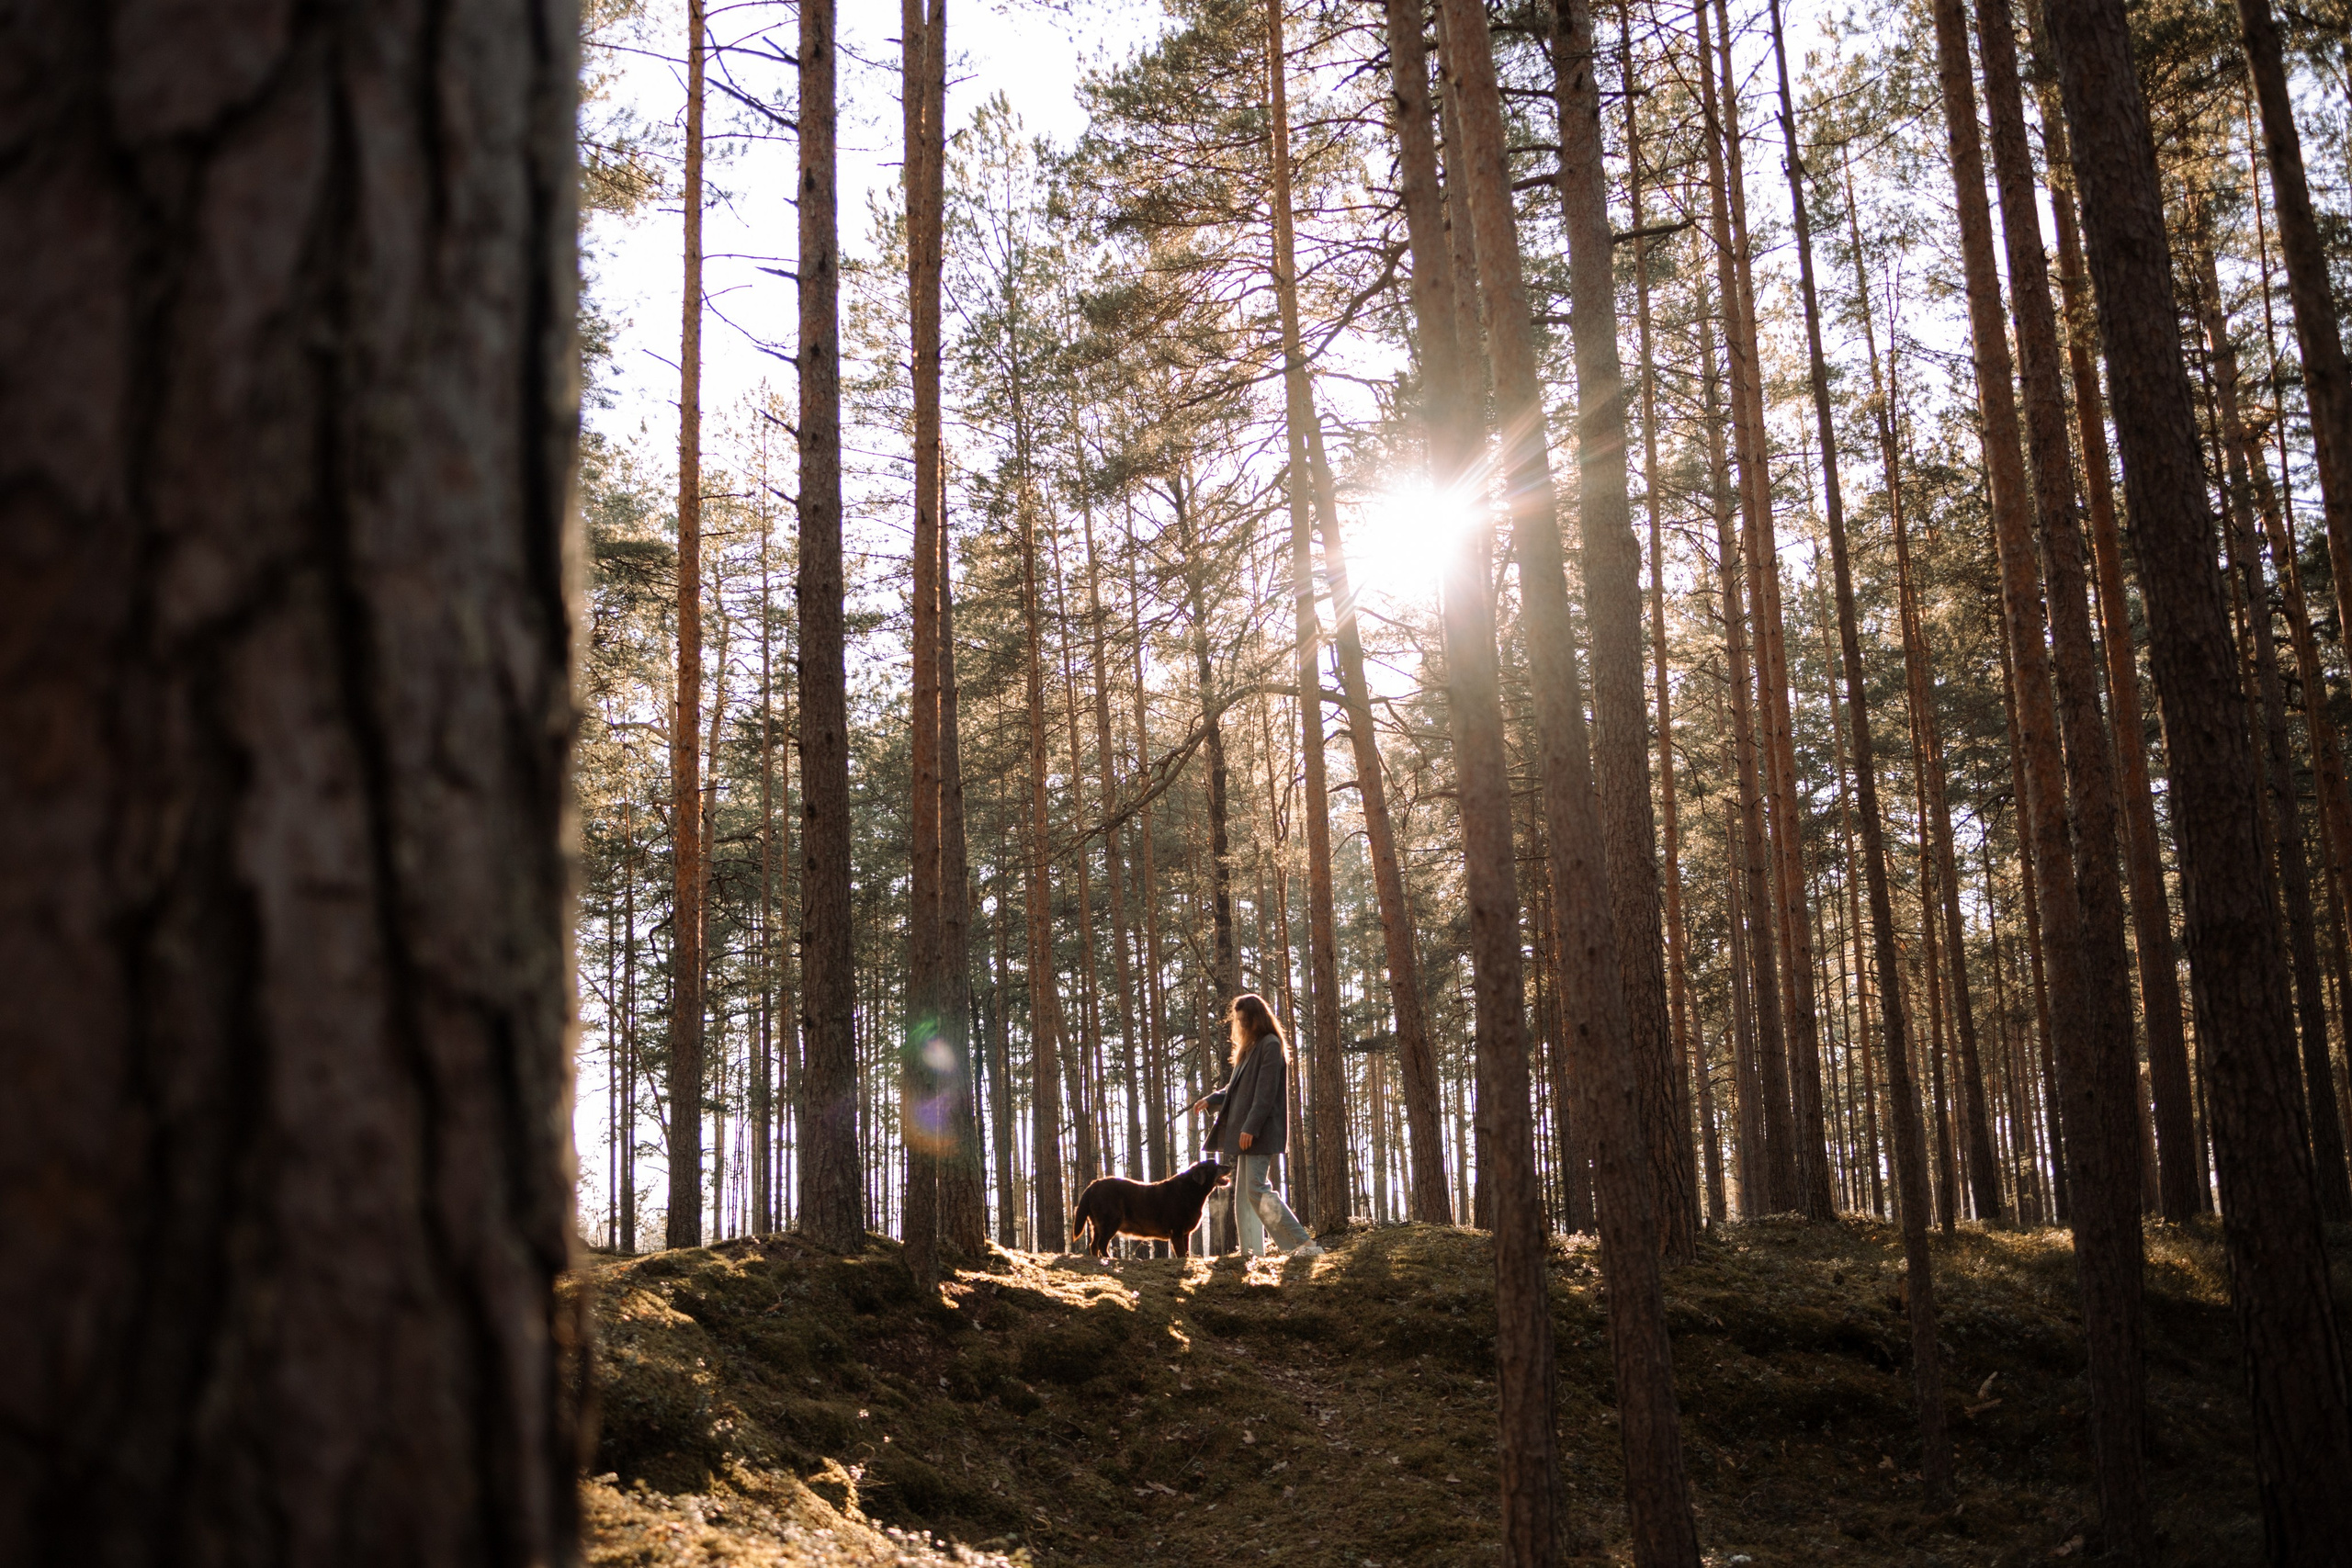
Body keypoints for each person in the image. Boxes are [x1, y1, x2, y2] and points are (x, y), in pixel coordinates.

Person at [1192, 992, 1323, 1259]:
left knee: (1256, 1188)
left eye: (1243, 1020)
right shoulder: (1251, 1048)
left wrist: (1250, 1127)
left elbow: (1265, 1092)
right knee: (1244, 1195)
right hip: (1247, 1132)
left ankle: (1303, 1244)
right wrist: (1211, 1099)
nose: (1239, 1025)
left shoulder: (1270, 1044)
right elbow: (1235, 1088)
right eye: (1237, 1020)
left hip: (1259, 1132)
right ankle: (1251, 1252)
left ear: (1256, 1019)